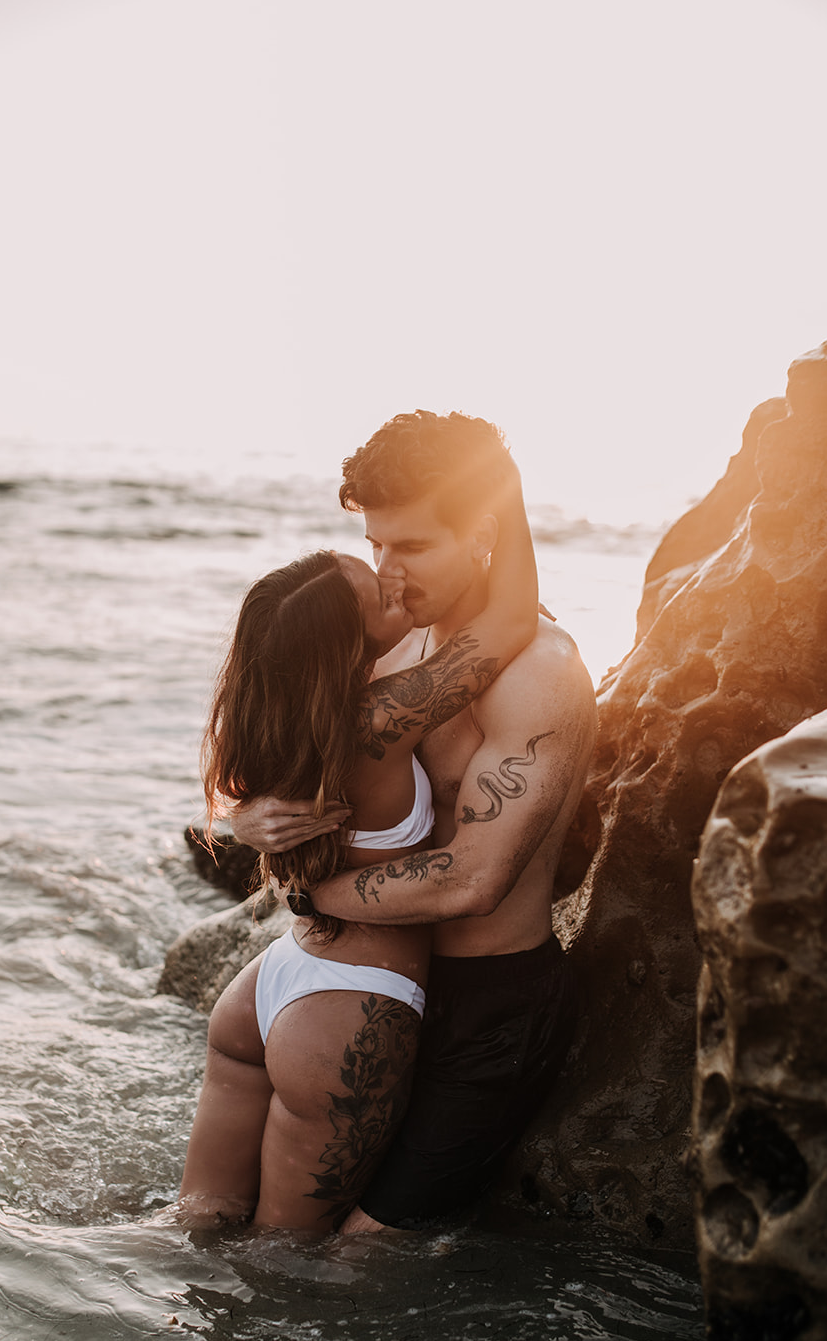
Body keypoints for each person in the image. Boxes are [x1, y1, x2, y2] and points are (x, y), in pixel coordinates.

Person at [232, 411, 598, 1231]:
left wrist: (310, 893)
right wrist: (250, 818)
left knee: (360, 1260)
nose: (389, 574)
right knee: (258, 1230)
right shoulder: (392, 650)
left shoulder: (538, 676)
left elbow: (472, 877)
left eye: (415, 547)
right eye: (377, 547)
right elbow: (278, 735)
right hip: (379, 987)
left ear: (483, 535)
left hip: (485, 1008)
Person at [177, 451, 540, 1232]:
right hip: (345, 1006)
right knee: (283, 1261)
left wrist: (244, 824)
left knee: (198, 1221)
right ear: (351, 645)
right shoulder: (373, 722)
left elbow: (241, 807)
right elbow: (510, 621)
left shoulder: (269, 724)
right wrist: (500, 492)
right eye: (375, 587)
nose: (391, 579)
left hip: (268, 984)